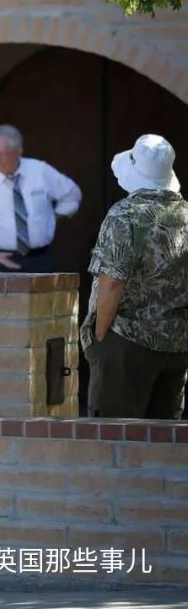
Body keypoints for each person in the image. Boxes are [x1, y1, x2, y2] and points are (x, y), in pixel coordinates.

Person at [82, 134, 188, 419]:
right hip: (177, 344)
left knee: (114, 440)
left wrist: (100, 335)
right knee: (164, 446)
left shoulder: (126, 214)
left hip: (127, 342)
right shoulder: (186, 214)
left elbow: (112, 282)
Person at [0, 124, 82, 273]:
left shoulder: (40, 171)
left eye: (3, 154)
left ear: (19, 152)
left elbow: (72, 194)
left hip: (39, 258)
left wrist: (55, 217)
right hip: (1, 260)